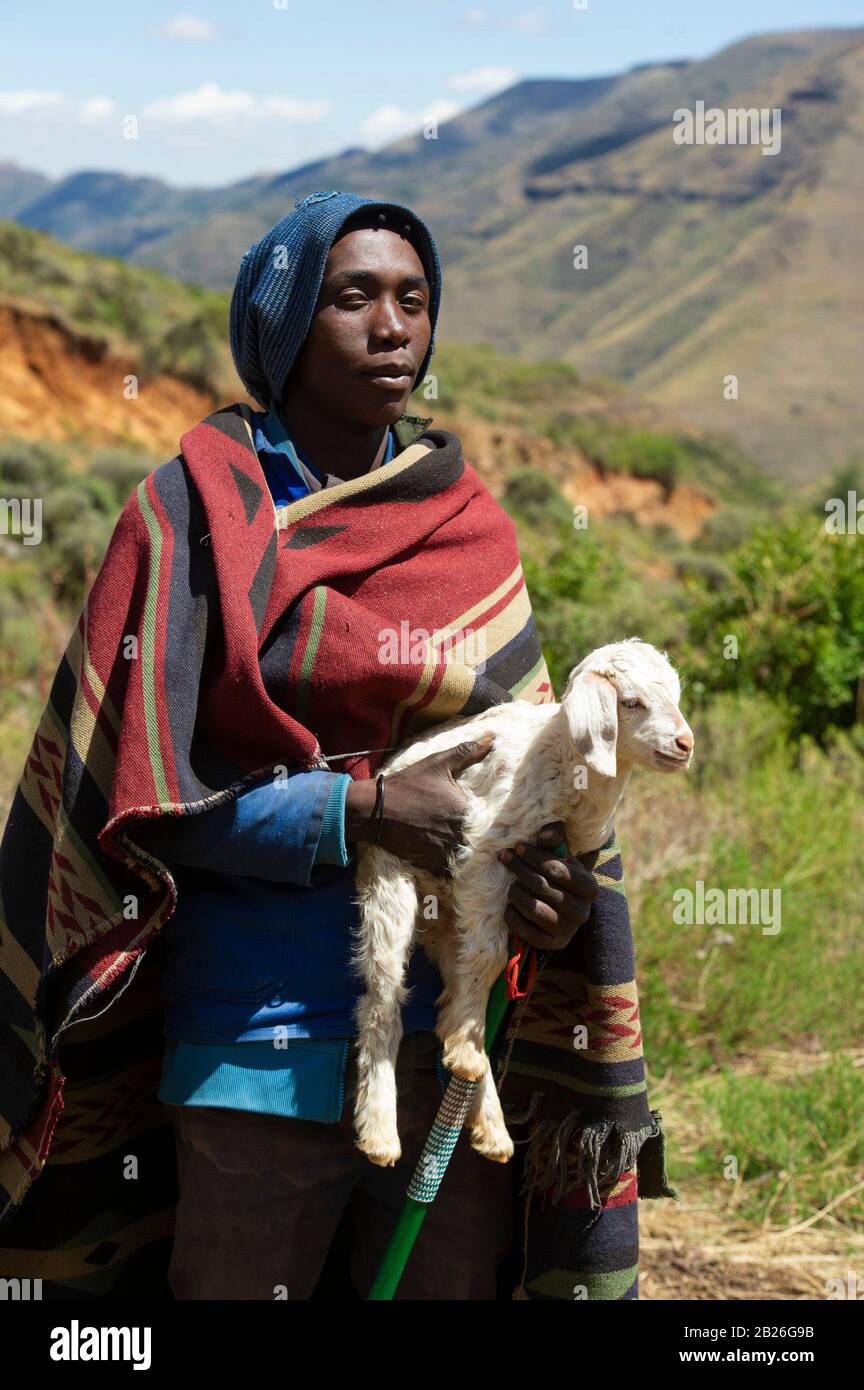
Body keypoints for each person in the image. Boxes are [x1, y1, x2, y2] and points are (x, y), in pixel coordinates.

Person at [0, 190, 675, 1302]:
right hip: (254, 1045)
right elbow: (151, 801)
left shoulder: (467, 527)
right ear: (283, 322)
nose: (392, 326)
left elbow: (537, 773)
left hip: (450, 1050)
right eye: (352, 297)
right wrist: (361, 811)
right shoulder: (184, 522)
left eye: (413, 300)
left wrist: (551, 894)